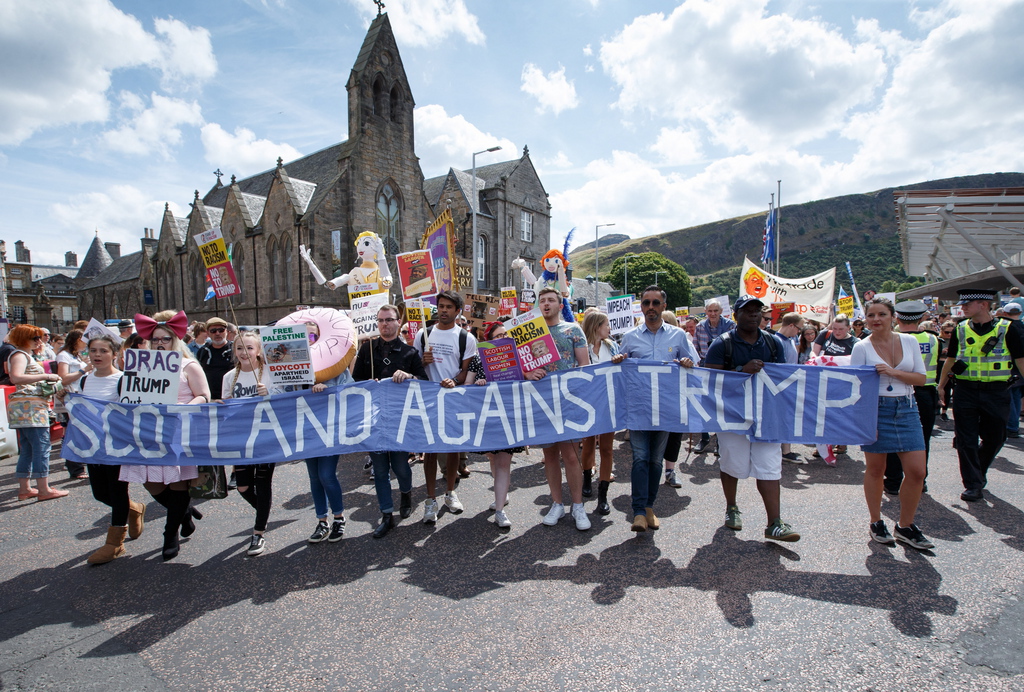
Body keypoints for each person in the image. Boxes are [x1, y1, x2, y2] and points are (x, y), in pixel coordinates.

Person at [705, 296, 799, 542]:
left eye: (758, 311)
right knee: (731, 464)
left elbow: (783, 377)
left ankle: (774, 523)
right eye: (748, 311)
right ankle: (732, 507)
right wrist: (739, 371)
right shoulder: (721, 344)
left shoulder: (773, 343)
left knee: (769, 466)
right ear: (736, 316)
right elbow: (709, 378)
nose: (755, 315)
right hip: (732, 416)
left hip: (766, 414)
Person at [120, 311, 210, 560]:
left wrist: (186, 408)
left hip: (176, 431)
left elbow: (204, 395)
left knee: (177, 482)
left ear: (176, 341)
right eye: (156, 339)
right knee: (151, 483)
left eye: (166, 339)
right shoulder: (139, 364)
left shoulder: (188, 365)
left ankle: (170, 534)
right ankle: (184, 512)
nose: (160, 343)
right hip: (148, 432)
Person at [851, 297, 933, 549]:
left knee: (917, 471)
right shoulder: (861, 347)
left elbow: (921, 378)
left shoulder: (909, 341)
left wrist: (892, 372)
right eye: (871, 315)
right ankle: (876, 521)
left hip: (906, 408)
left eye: (881, 314)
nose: (875, 319)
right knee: (876, 470)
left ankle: (905, 526)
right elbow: (857, 388)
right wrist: (865, 421)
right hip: (876, 409)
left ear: (892, 317)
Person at [619, 286, 698, 532]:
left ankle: (650, 507)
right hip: (639, 408)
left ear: (664, 306)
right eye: (646, 303)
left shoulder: (678, 336)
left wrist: (688, 363)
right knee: (640, 458)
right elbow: (619, 370)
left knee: (655, 460)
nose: (650, 307)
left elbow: (695, 364)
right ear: (641, 307)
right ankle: (639, 511)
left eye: (655, 303)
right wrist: (618, 361)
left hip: (665, 408)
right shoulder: (630, 337)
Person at [939, 289, 1024, 501]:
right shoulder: (960, 329)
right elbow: (951, 359)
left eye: (968, 303)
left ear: (984, 304)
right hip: (965, 390)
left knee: (996, 437)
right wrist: (941, 385)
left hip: (997, 391)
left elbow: (1021, 361)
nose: (963, 307)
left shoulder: (1009, 329)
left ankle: (978, 468)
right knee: (965, 439)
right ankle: (973, 484)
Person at [352, 304, 427, 538]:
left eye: (389, 320)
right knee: (381, 470)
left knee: (401, 467)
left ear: (398, 322)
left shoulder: (410, 353)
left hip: (400, 421)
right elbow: (356, 383)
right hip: (374, 421)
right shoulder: (367, 350)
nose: (385, 324)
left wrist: (410, 376)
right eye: (381, 320)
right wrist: (368, 383)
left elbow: (424, 384)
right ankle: (386, 514)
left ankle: (406, 493)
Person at [74, 335, 146, 564]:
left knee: (116, 491)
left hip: (117, 446)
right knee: (100, 493)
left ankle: (115, 543)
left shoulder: (123, 380)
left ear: (115, 354)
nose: (97, 355)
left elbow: (134, 411)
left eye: (103, 351)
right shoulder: (85, 380)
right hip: (93, 446)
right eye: (93, 350)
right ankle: (134, 509)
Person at [528, 287, 592, 530]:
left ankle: (578, 505)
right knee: (549, 456)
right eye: (542, 301)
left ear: (560, 303)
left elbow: (584, 365)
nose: (546, 304)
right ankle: (557, 503)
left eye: (551, 300)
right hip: (542, 402)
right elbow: (521, 366)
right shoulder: (530, 333)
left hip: (568, 402)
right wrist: (527, 372)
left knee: (571, 456)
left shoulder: (573, 329)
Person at [414, 290, 477, 524]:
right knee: (429, 451)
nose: (443, 310)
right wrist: (422, 362)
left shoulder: (466, 338)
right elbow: (415, 371)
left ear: (457, 311)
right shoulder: (423, 335)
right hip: (429, 400)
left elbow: (466, 371)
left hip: (453, 399)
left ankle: (450, 492)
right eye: (440, 306)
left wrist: (455, 380)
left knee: (452, 449)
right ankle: (430, 499)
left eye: (448, 307)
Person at [220, 331, 284, 556]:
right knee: (243, 487)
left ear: (258, 351)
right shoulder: (230, 377)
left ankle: (258, 533)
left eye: (249, 348)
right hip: (241, 438)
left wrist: (269, 393)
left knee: (263, 483)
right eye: (239, 348)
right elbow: (226, 407)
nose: (244, 352)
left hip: (266, 436)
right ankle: (263, 511)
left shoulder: (269, 372)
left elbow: (284, 400)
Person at [469, 320, 526, 529]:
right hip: (486, 417)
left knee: (503, 463)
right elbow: (466, 386)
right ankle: (500, 492)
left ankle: (500, 510)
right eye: (499, 336)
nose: (503, 339)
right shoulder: (478, 360)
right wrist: (478, 385)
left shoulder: (517, 357)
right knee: (493, 459)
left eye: (506, 336)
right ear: (489, 341)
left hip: (508, 416)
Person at [883, 301, 940, 495]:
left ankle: (892, 480)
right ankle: (919, 480)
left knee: (891, 437)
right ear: (922, 318)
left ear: (897, 318)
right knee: (922, 440)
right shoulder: (933, 339)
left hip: (897, 390)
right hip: (925, 391)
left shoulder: (891, 340)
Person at [8, 325, 67, 501]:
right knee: (41, 447)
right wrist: (46, 377)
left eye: (39, 337)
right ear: (23, 338)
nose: (39, 341)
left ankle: (25, 488)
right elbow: (16, 377)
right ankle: (43, 489)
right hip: (30, 407)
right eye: (35, 338)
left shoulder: (23, 354)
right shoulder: (20, 354)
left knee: (27, 448)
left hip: (25, 407)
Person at [581, 311, 626, 515]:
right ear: (596, 326)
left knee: (607, 448)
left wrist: (620, 361)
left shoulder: (612, 346)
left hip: (609, 403)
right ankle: (587, 478)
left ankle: (603, 494)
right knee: (589, 444)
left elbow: (621, 372)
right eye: (606, 325)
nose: (609, 329)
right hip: (589, 404)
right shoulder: (583, 348)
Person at [693, 300, 735, 453]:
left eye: (715, 311)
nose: (713, 314)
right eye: (710, 311)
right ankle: (704, 438)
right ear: (706, 311)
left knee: (721, 405)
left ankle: (719, 441)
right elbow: (696, 348)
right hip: (705, 365)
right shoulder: (700, 327)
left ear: (721, 311)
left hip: (724, 367)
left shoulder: (730, 326)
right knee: (704, 403)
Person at [55, 329, 92, 479]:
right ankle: (74, 467)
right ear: (76, 340)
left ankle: (79, 465)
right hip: (71, 397)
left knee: (81, 431)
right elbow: (62, 378)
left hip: (80, 396)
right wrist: (84, 370)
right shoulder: (63, 355)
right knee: (74, 432)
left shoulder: (75, 355)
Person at [775, 313, 806, 464]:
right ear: (791, 326)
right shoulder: (778, 341)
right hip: (783, 386)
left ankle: (786, 449)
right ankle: (784, 450)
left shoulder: (789, 341)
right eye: (799, 328)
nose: (799, 332)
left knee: (787, 418)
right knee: (784, 418)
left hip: (789, 385)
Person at [194, 316, 234, 400]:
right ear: (208, 333)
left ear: (227, 332)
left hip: (231, 398)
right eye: (213, 331)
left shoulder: (235, 349)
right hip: (210, 400)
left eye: (221, 330)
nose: (217, 333)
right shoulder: (202, 351)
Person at [1001, 303, 1024, 438]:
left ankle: (1011, 426)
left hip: (1008, 367)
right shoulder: (1021, 326)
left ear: (1005, 313)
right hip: (1020, 368)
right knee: (1015, 396)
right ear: (1020, 312)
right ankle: (1013, 425)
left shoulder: (1006, 328)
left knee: (1008, 397)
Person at [937, 319, 955, 420]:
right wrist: (941, 351)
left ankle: (944, 411)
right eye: (946, 332)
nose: (949, 334)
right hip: (939, 365)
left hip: (951, 366)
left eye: (951, 332)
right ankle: (937, 408)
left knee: (947, 389)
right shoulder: (938, 340)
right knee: (939, 387)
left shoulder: (955, 340)